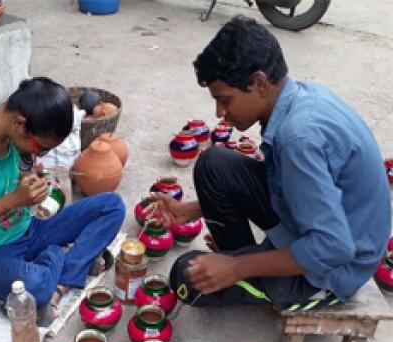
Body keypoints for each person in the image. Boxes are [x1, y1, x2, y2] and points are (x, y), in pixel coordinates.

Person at [148, 16, 390, 310]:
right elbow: (289, 184)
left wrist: (237, 268)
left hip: (333, 268)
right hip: (325, 227)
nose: (220, 112)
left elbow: (332, 248)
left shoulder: (298, 138)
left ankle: (248, 267)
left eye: (225, 100)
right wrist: (193, 209)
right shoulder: (297, 97)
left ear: (259, 82)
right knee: (213, 163)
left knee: (186, 277)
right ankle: (243, 258)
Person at [0, 77, 125, 321]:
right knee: (36, 286)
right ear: (20, 124)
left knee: (111, 206)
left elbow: (12, 177)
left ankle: (60, 281)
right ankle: (61, 259)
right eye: (41, 148)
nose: (39, 154)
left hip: (29, 229)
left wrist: (34, 182)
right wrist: (14, 200)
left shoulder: (11, 131)